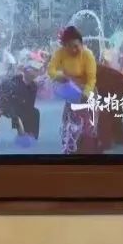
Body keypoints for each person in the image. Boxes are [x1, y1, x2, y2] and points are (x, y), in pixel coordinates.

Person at [46, 26, 98, 154]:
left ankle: (88, 150)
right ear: (64, 46)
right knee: (68, 124)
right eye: (69, 46)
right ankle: (68, 149)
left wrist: (86, 93)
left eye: (76, 46)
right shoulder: (60, 53)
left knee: (88, 126)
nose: (73, 49)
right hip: (71, 92)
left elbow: (91, 79)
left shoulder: (87, 55)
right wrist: (60, 76)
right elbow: (51, 70)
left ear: (81, 43)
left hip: (88, 91)